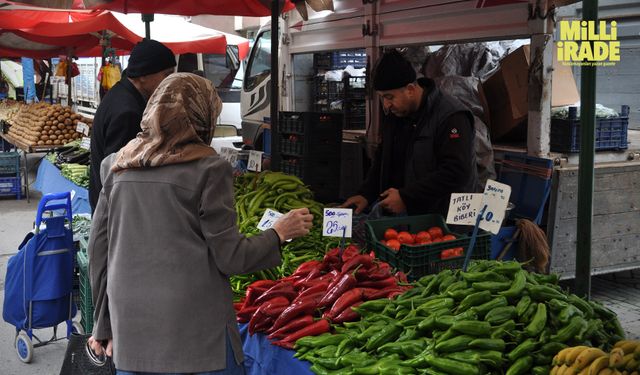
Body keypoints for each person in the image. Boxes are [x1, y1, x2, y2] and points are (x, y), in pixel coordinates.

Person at [87, 73, 314, 374]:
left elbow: (97, 251)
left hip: (130, 330)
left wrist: (102, 323)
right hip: (195, 335)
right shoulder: (209, 169)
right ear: (201, 116)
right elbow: (231, 256)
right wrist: (278, 234)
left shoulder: (116, 164)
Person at [341, 50, 478, 218]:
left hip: (442, 221)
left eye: (389, 97)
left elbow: (456, 172)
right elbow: (383, 157)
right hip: (406, 218)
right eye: (382, 98)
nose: (386, 105)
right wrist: (366, 194)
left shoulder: (451, 116)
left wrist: (406, 196)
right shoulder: (397, 114)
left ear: (411, 89)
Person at [89, 39, 176, 212]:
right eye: (166, 75)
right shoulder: (127, 112)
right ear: (143, 75)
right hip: (115, 211)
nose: (170, 81)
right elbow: (120, 174)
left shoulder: (121, 93)